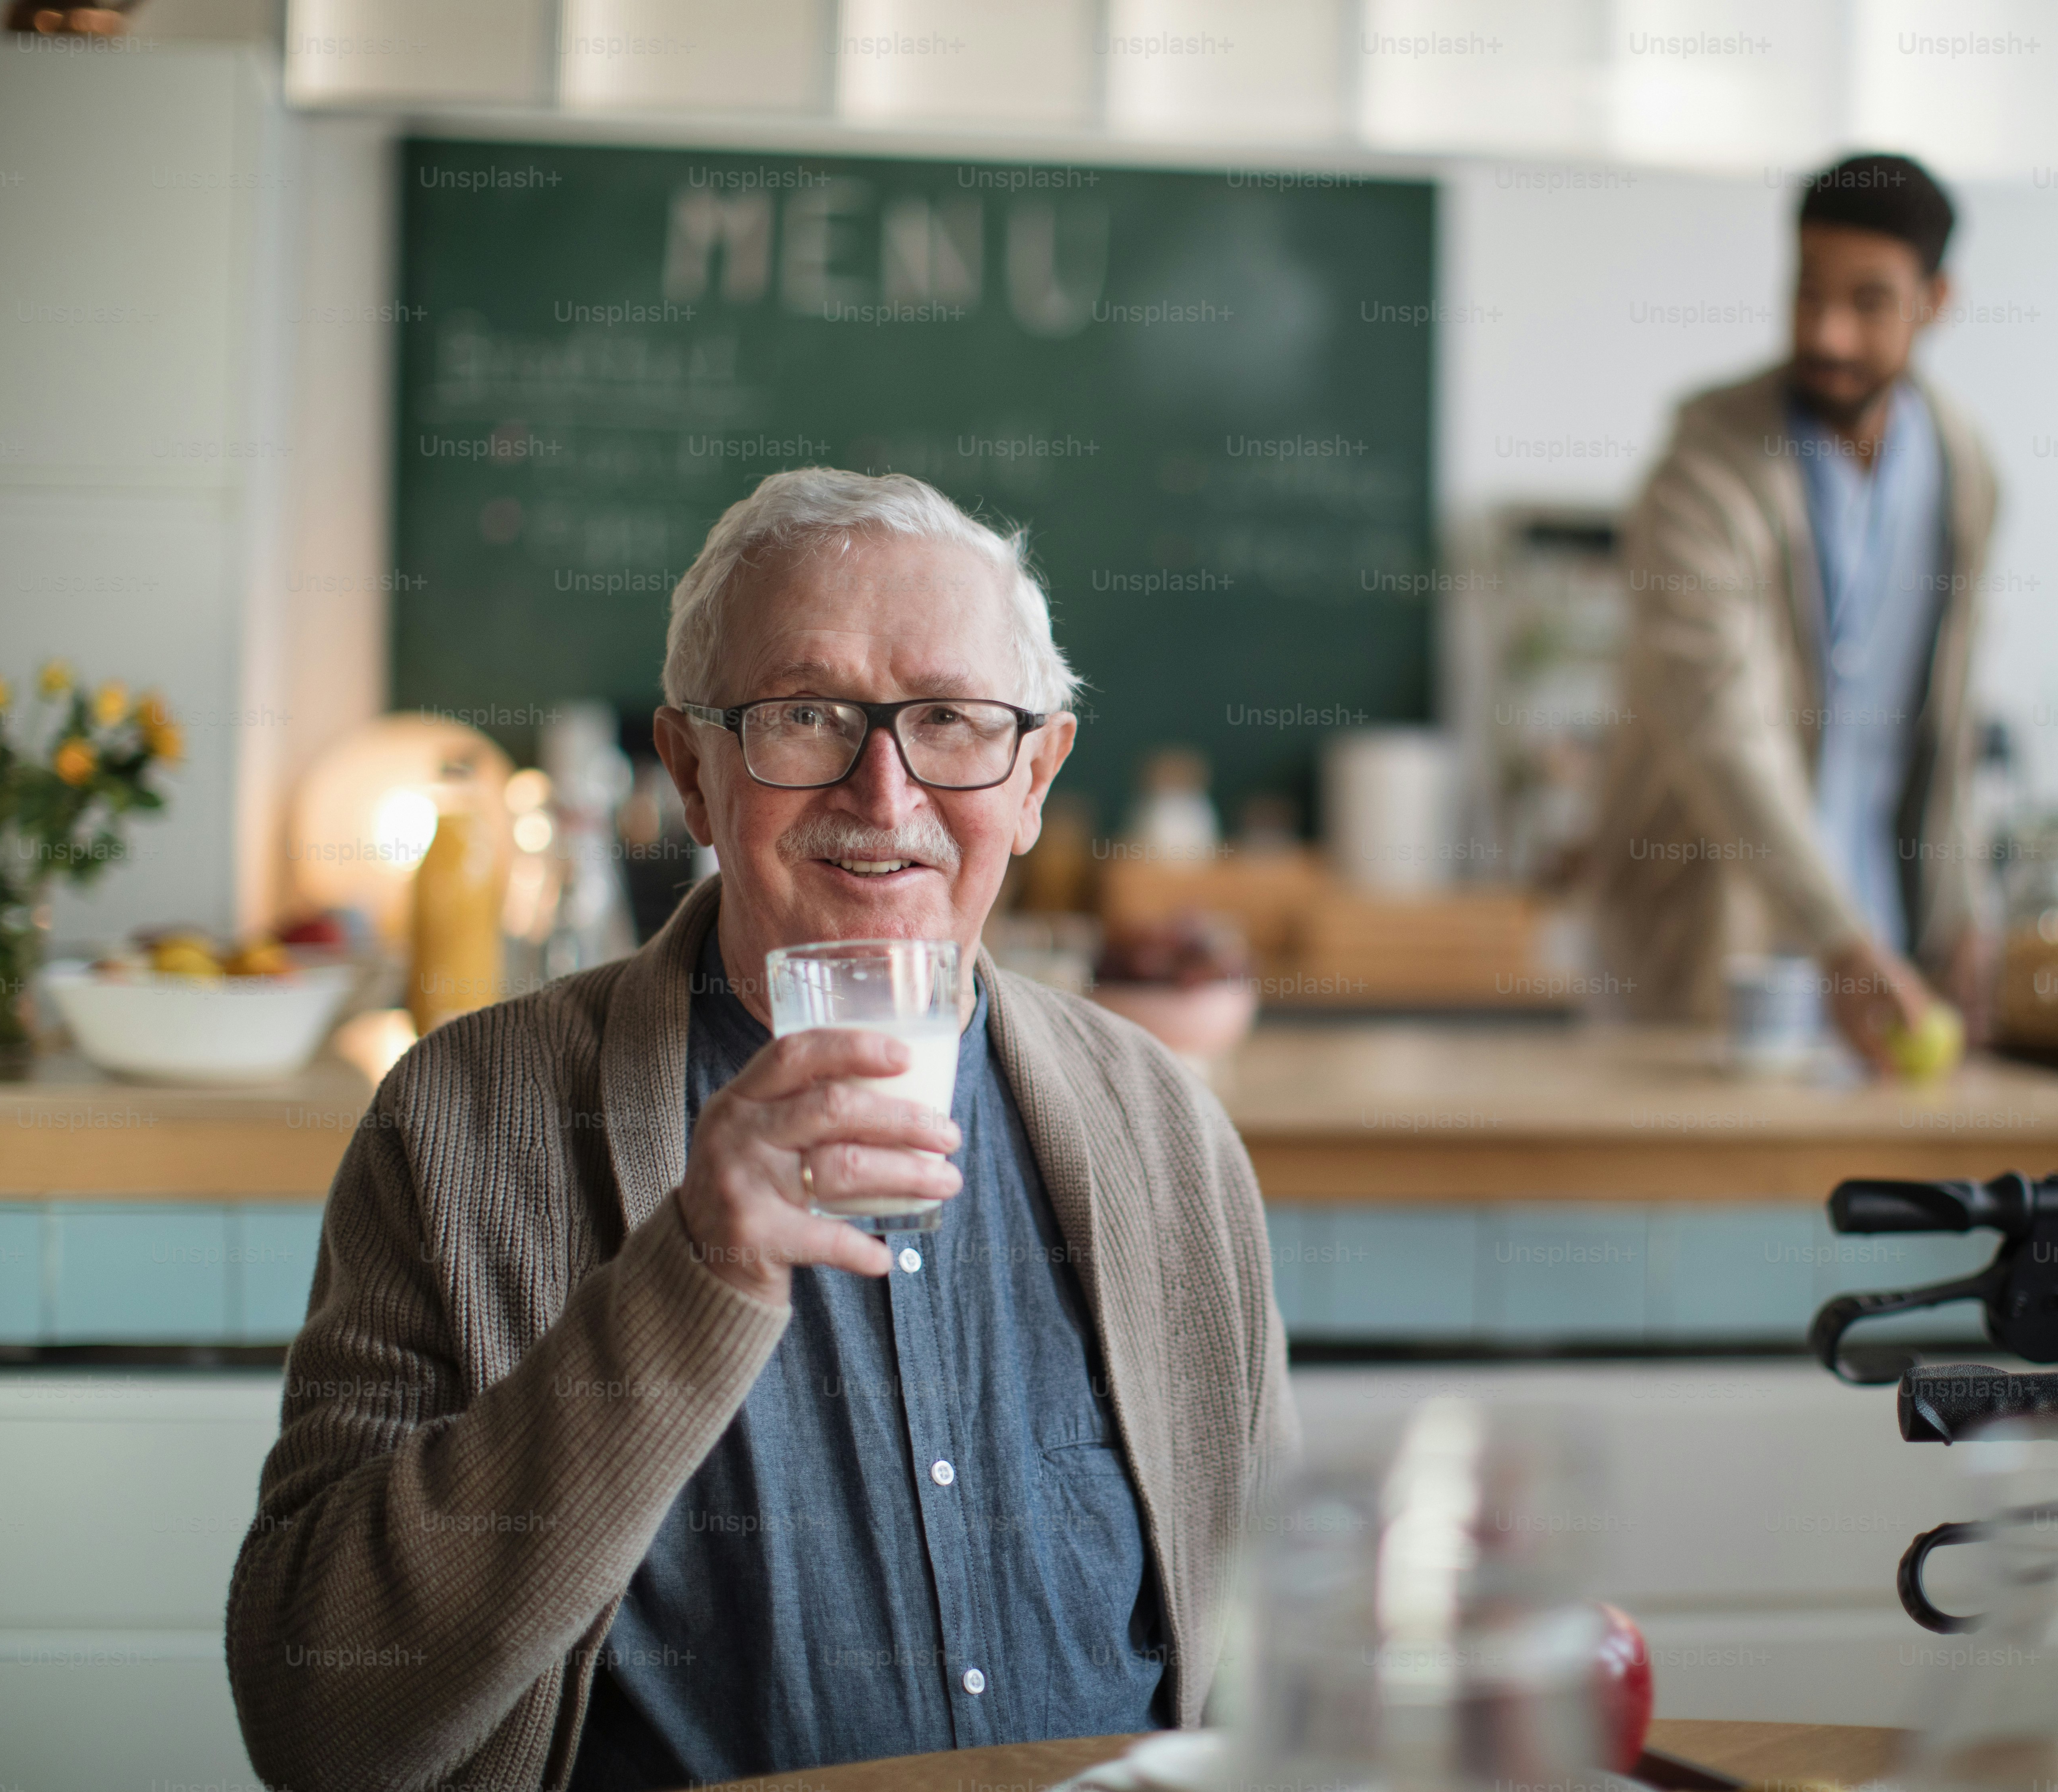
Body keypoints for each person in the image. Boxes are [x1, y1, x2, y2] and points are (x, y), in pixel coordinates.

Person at [228, 470, 1295, 1792]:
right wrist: (687, 1285)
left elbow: (1269, 1659)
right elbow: (318, 1730)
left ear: (1033, 779)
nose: (885, 792)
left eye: (953, 722)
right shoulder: (469, 1122)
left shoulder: (1164, 1132)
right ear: (692, 770)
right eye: (806, 716)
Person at [1591, 151, 2000, 1066]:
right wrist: (1834, 939)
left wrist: (1966, 914)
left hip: (1891, 971)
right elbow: (1720, 727)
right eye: (1809, 292)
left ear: (1935, 302)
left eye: (1869, 302)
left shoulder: (1967, 474)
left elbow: (1951, 732)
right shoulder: (1703, 468)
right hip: (1720, 957)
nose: (1829, 333)